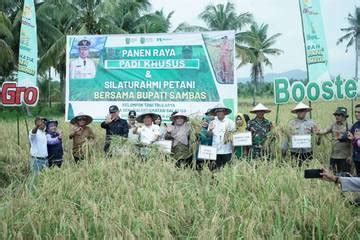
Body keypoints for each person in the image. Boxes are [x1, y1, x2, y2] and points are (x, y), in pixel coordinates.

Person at [317, 107, 352, 174]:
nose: (336, 116)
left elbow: (353, 142)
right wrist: (318, 131)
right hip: (334, 156)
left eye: (339, 115)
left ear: (344, 116)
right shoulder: (333, 125)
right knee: (333, 176)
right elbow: (324, 131)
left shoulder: (350, 126)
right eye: (336, 115)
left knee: (345, 177)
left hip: (345, 157)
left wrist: (351, 156)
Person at [282, 102, 318, 166]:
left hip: (308, 151)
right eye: (299, 111)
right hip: (295, 151)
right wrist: (284, 149)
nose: (301, 112)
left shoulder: (311, 123)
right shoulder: (291, 123)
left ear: (306, 111)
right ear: (296, 112)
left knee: (307, 169)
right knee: (295, 169)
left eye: (303, 110)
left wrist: (318, 134)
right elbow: (286, 137)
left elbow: (317, 138)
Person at [207, 104, 235, 170]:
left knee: (227, 170)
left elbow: (233, 135)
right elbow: (208, 135)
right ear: (215, 113)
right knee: (214, 170)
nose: (219, 112)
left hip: (227, 150)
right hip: (215, 151)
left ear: (224, 112)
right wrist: (210, 130)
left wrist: (228, 136)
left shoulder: (230, 122)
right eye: (217, 111)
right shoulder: (212, 122)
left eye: (221, 111)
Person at [346, 104, 360, 176]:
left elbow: (354, 139)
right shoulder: (355, 125)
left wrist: (354, 138)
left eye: (359, 112)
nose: (356, 114)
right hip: (357, 158)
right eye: (355, 112)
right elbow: (350, 138)